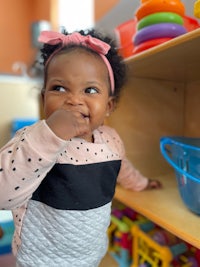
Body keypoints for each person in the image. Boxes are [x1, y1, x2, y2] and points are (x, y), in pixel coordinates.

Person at [0, 28, 161, 267]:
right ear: (44, 100)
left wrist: (142, 183)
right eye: (59, 88)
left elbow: (123, 169)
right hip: (39, 260)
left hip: (90, 257)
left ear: (108, 106)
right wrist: (50, 136)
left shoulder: (112, 140)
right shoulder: (32, 140)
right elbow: (3, 196)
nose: (74, 100)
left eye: (90, 90)